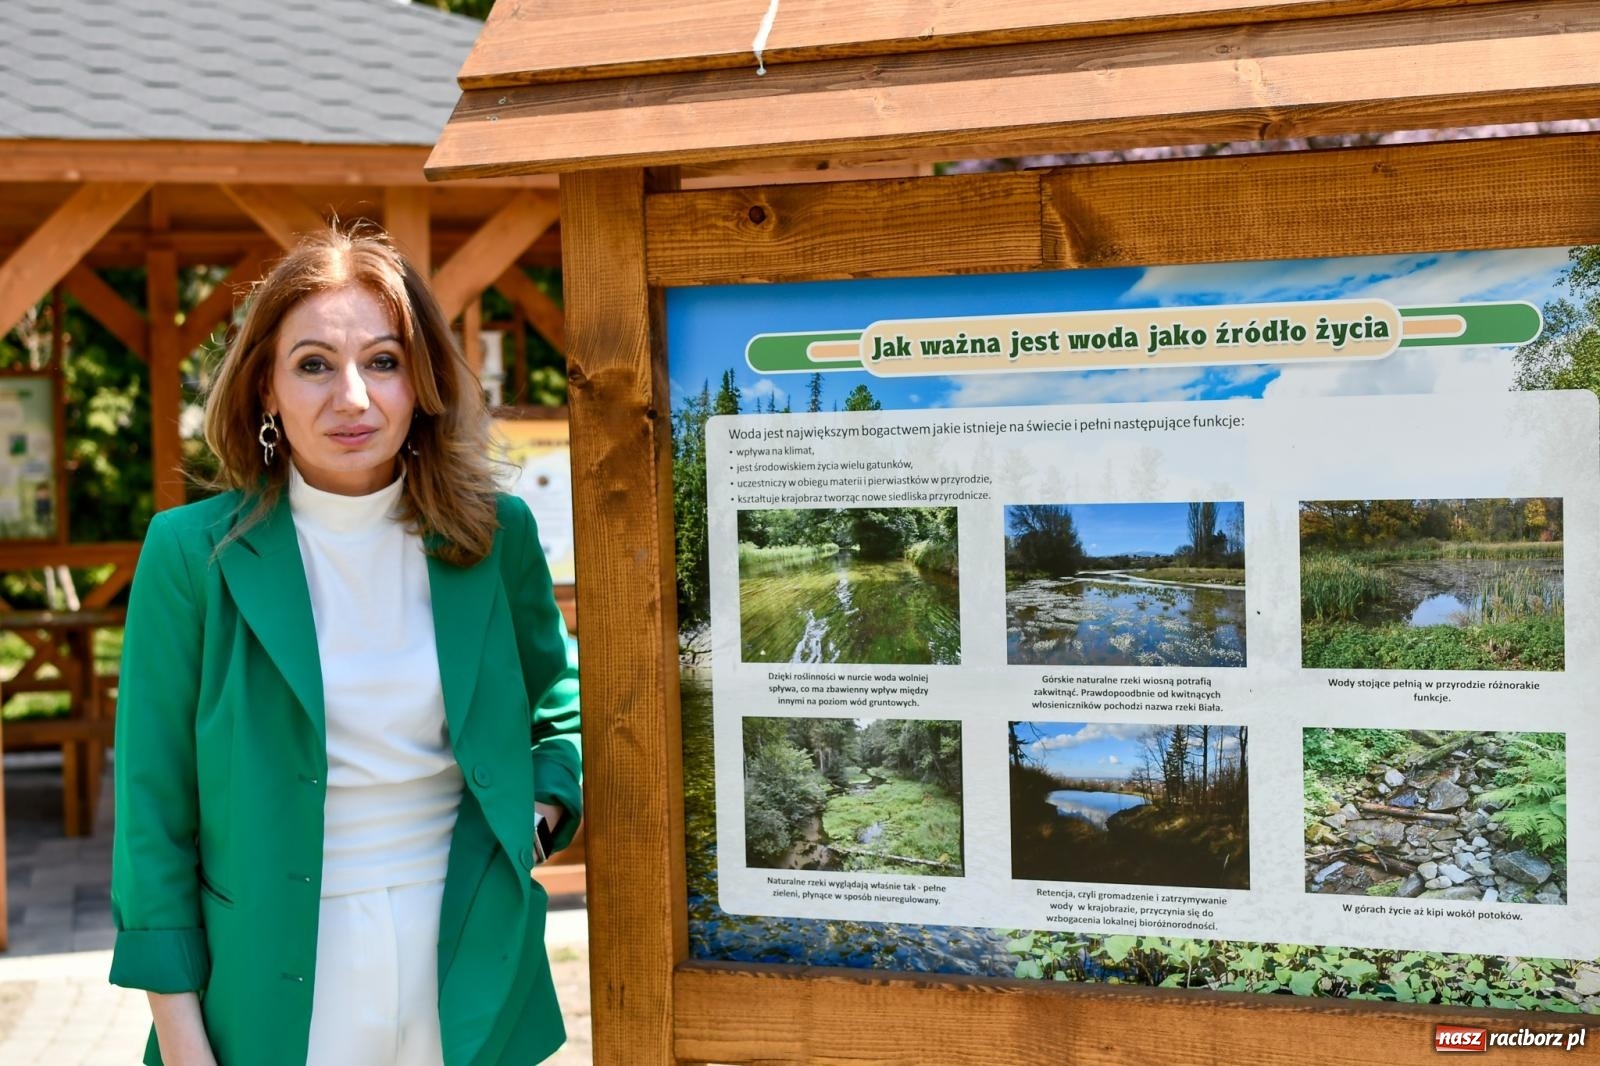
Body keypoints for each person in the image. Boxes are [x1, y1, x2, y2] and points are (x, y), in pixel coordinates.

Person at [108, 227, 582, 1066]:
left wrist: (538, 816)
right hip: (274, 984)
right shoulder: (190, 555)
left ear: (421, 380)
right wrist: (183, 1042)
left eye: (385, 361)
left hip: (469, 959)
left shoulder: (494, 534)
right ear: (265, 388)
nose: (354, 398)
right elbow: (152, 817)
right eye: (315, 364)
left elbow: (557, 706)